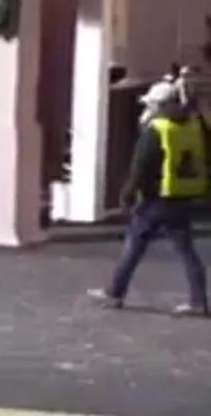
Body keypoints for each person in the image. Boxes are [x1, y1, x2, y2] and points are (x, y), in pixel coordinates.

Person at [88, 81, 210, 316]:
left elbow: (140, 167)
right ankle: (198, 300)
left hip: (155, 199)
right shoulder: (194, 126)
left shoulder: (157, 130)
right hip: (182, 195)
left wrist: (127, 194)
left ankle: (114, 293)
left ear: (162, 106)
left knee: (134, 245)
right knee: (187, 251)